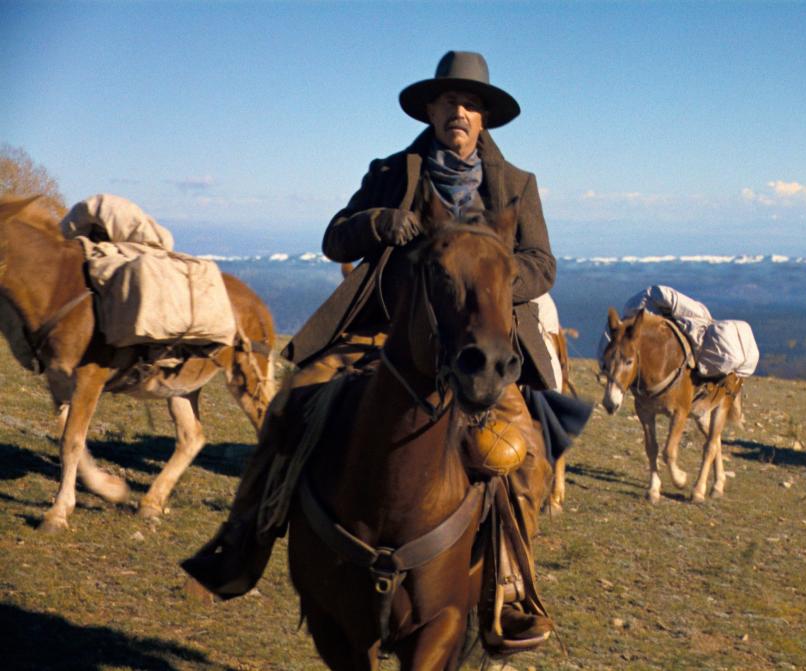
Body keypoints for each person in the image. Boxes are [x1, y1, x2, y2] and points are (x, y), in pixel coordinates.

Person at [183, 51, 568, 651]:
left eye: (470, 103)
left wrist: (487, 278)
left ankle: (512, 589)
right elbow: (334, 235)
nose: (458, 112)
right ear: (431, 110)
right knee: (291, 406)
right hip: (379, 333)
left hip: (477, 343)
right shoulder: (393, 170)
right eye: (448, 102)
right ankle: (242, 540)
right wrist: (376, 222)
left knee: (524, 455)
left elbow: (542, 265)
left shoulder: (517, 185)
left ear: (484, 116)